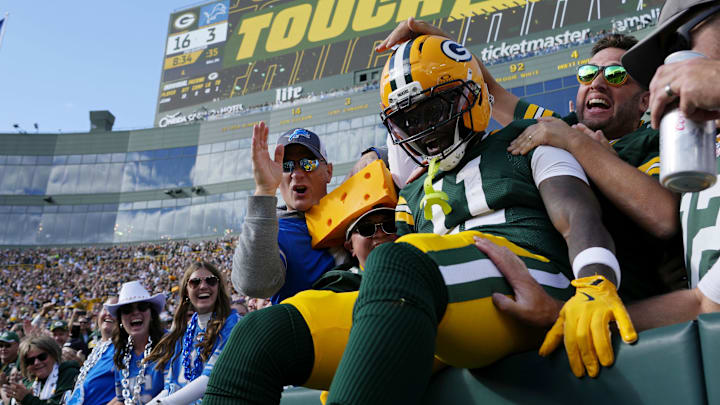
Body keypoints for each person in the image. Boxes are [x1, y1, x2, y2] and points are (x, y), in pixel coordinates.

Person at [207, 35, 634, 404]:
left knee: (400, 259)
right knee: (260, 335)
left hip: (528, 280)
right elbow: (394, 282)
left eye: (433, 110)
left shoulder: (529, 141)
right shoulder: (412, 189)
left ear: (473, 95)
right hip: (432, 301)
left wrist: (595, 281)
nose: (422, 128)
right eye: (408, 117)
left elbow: (577, 214)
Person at [380, 18, 682, 303]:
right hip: (565, 294)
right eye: (588, 74)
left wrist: (581, 147)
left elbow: (664, 216)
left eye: (616, 75)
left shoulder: (655, 138)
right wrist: (442, 47)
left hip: (637, 302)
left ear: (645, 100)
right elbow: (493, 92)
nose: (597, 84)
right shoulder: (560, 126)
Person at [205, 203, 398, 403]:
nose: (381, 234)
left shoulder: (425, 266)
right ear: (350, 246)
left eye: (390, 225)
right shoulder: (339, 284)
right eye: (367, 229)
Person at [232, 124, 349, 304]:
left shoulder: (350, 206)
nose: (297, 173)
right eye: (286, 166)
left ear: (329, 171)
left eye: (308, 163)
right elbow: (254, 284)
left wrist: (373, 154)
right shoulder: (274, 232)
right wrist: (264, 190)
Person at [146, 262, 239, 404]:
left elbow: (210, 380)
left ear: (219, 288)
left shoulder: (233, 324)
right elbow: (172, 386)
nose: (203, 286)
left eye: (211, 281)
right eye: (195, 282)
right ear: (186, 292)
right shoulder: (185, 332)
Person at [106, 281, 165, 404]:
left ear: (152, 313)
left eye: (142, 307)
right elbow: (121, 400)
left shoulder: (171, 343)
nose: (135, 312)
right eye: (127, 309)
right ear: (121, 319)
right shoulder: (121, 355)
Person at [65, 297, 118, 405]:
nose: (108, 313)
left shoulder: (126, 349)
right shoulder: (97, 346)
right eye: (105, 309)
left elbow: (132, 390)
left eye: (114, 310)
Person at [2, 334, 79, 405]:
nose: (36, 363)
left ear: (54, 355)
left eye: (42, 357)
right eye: (30, 361)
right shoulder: (27, 383)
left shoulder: (69, 374)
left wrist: (27, 399)